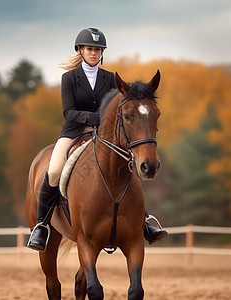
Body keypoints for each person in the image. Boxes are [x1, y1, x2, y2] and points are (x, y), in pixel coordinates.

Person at [27, 28, 167, 252]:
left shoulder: (111, 78)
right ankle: (42, 226)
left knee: (127, 166)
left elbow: (118, 109)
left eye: (98, 50)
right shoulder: (69, 78)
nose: (94, 53)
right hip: (74, 131)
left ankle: (144, 221)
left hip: (102, 134)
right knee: (53, 171)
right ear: (81, 50)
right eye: (90, 49)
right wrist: (89, 117)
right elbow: (68, 111)